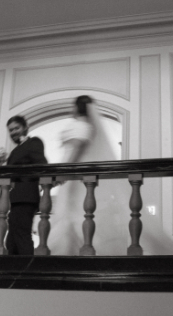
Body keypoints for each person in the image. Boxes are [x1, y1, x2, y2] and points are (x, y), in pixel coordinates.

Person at [48, 95, 129, 255]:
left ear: (77, 107)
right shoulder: (86, 126)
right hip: (77, 178)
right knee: (76, 215)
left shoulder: (81, 126)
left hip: (75, 179)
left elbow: (75, 152)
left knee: (75, 214)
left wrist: (61, 174)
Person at [5, 115, 48, 255]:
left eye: (16, 128)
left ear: (25, 127)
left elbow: (41, 165)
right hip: (14, 199)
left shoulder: (34, 143)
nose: (13, 132)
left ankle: (27, 271)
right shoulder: (14, 152)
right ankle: (13, 273)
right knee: (11, 241)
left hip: (26, 196)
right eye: (11, 130)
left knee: (22, 236)